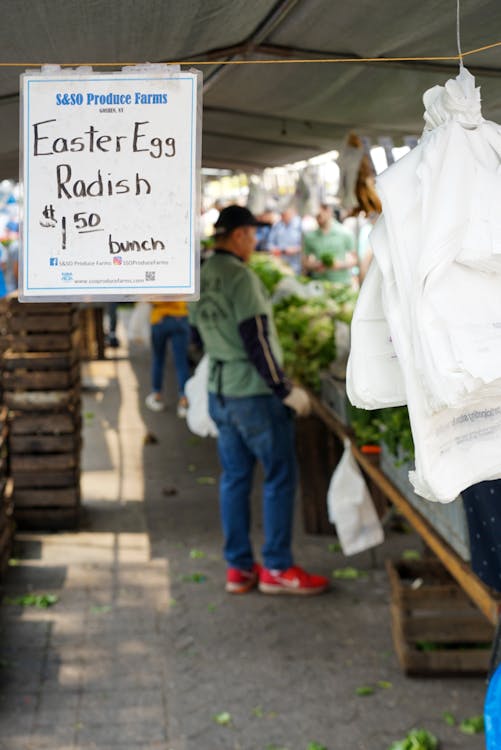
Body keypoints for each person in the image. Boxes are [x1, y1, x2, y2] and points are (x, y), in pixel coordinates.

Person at [189, 205, 329, 596]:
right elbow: (257, 340)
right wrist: (285, 390)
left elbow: (196, 338)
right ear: (237, 236)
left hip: (220, 389)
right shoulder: (241, 278)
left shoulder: (198, 276)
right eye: (252, 235)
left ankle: (239, 569)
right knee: (280, 476)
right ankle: (278, 568)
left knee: (234, 478)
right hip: (252, 393)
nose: (255, 242)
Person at [145, 301, 190, 417]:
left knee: (158, 359)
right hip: (180, 317)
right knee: (181, 363)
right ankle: (184, 400)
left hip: (159, 318)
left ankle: (157, 395)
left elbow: (147, 298)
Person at [303, 203, 357, 283]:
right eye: (316, 216)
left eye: (320, 215)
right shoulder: (310, 236)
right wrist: (315, 265)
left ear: (328, 211)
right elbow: (305, 262)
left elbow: (354, 259)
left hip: (341, 283)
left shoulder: (345, 233)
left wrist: (339, 265)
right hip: (319, 283)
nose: (318, 219)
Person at [266, 206, 303, 274]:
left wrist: (296, 249)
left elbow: (305, 245)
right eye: (282, 214)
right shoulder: (277, 226)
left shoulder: (300, 225)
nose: (283, 216)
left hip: (295, 265)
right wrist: (274, 249)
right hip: (279, 263)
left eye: (286, 214)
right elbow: (270, 242)